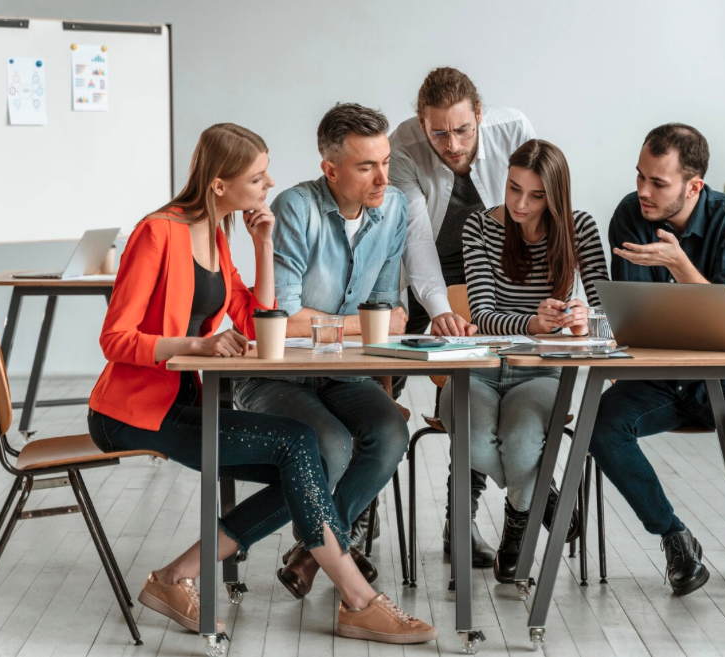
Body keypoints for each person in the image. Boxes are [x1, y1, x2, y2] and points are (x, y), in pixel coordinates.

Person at [87, 123, 435, 643]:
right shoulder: (158, 232)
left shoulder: (218, 235)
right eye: (258, 175)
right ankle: (358, 599)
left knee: (303, 461)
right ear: (220, 185)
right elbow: (114, 338)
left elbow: (258, 319)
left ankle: (174, 576)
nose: (270, 182)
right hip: (131, 413)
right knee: (298, 443)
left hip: (185, 404)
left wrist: (263, 245)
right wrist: (196, 346)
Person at [589, 123, 725, 597]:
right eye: (640, 176)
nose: (642, 191)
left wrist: (680, 267)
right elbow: (637, 315)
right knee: (600, 427)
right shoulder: (629, 215)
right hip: (663, 376)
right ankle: (674, 536)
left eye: (658, 182)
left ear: (693, 185)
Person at [232, 104, 411, 600]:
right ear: (330, 169)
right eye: (365, 166)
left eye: (386, 161)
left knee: (391, 430)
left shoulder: (393, 208)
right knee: (330, 443)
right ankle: (331, 548)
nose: (382, 178)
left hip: (343, 373)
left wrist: (360, 324)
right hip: (277, 377)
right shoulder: (296, 208)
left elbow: (390, 313)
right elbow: (284, 321)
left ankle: (313, 551)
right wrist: (363, 326)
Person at [387, 67, 538, 565]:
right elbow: (415, 239)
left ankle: (461, 522)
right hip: (424, 268)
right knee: (378, 376)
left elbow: (537, 208)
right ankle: (358, 513)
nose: (451, 145)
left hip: (494, 267)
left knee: (476, 384)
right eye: (439, 133)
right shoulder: (404, 145)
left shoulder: (512, 128)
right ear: (420, 122)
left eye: (462, 130)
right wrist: (440, 311)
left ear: (479, 114)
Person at [437, 139, 605, 582]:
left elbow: (611, 314)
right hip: (477, 368)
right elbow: (485, 313)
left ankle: (517, 527)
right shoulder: (479, 227)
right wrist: (532, 323)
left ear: (556, 196)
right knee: (471, 440)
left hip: (542, 373)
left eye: (535, 195)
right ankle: (543, 497)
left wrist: (584, 318)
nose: (520, 204)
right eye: (514, 189)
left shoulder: (579, 229)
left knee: (522, 440)